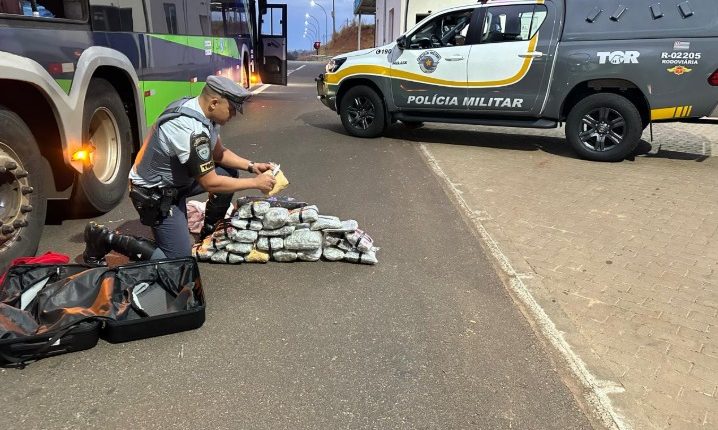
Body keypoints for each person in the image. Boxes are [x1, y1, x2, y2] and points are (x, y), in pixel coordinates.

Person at [83, 75, 276, 264]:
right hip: (154, 194)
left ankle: (209, 232)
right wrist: (255, 183)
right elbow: (210, 182)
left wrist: (252, 166)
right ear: (214, 103)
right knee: (178, 261)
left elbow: (219, 154)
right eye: (232, 109)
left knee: (228, 172)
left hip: (177, 182)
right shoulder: (190, 129)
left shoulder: (205, 114)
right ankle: (104, 238)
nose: (234, 115)